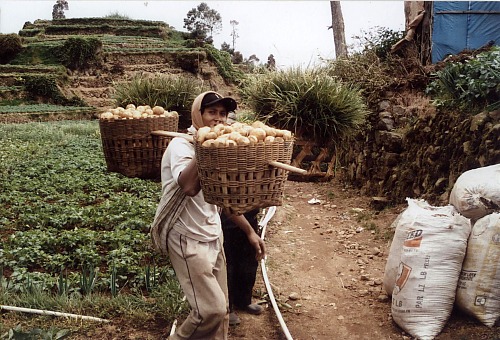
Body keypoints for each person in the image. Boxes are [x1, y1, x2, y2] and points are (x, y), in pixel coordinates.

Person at [150, 91, 265, 340]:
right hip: (187, 237)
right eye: (212, 112)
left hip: (213, 235)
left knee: (222, 311)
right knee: (209, 311)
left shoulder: (219, 147)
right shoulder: (181, 145)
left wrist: (249, 232)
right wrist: (205, 146)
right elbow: (189, 187)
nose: (219, 119)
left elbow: (223, 202)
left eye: (223, 114)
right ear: (198, 115)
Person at [221, 208, 264, 326]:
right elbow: (226, 206)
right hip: (228, 221)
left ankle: (243, 300)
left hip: (248, 216)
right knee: (228, 265)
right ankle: (227, 307)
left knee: (248, 261)